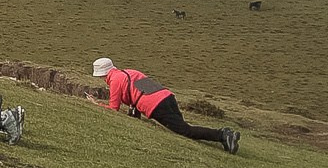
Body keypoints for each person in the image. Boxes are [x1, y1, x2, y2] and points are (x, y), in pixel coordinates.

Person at [92, 58, 238, 152]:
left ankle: (223, 135)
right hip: (167, 96)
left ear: (102, 74)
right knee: (183, 126)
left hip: (156, 105)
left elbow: (113, 108)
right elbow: (139, 92)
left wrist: (96, 104)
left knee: (184, 130)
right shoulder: (129, 72)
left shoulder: (115, 81)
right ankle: (223, 136)